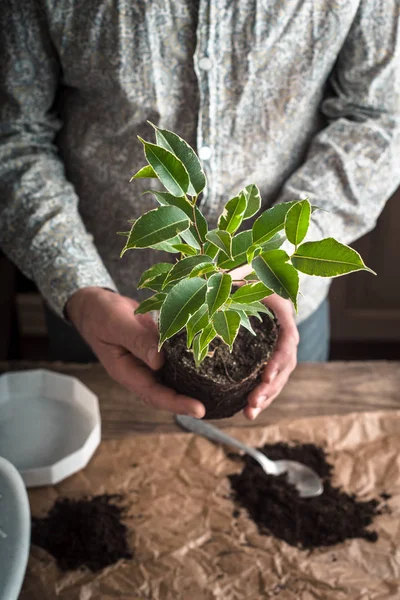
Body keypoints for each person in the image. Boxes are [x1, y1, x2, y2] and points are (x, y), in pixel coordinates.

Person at [0, 1, 399, 420]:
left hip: (282, 310)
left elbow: (378, 118)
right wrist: (76, 284)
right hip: (95, 311)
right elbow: (12, 134)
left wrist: (291, 246)